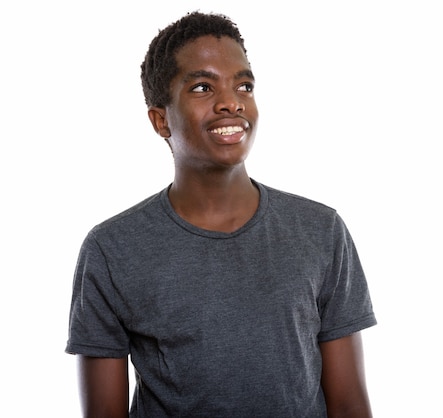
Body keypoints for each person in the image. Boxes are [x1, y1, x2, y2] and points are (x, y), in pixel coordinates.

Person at [65, 11, 376, 418]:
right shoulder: (112, 249)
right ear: (161, 120)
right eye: (201, 87)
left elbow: (350, 403)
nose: (231, 102)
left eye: (243, 85)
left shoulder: (320, 230)